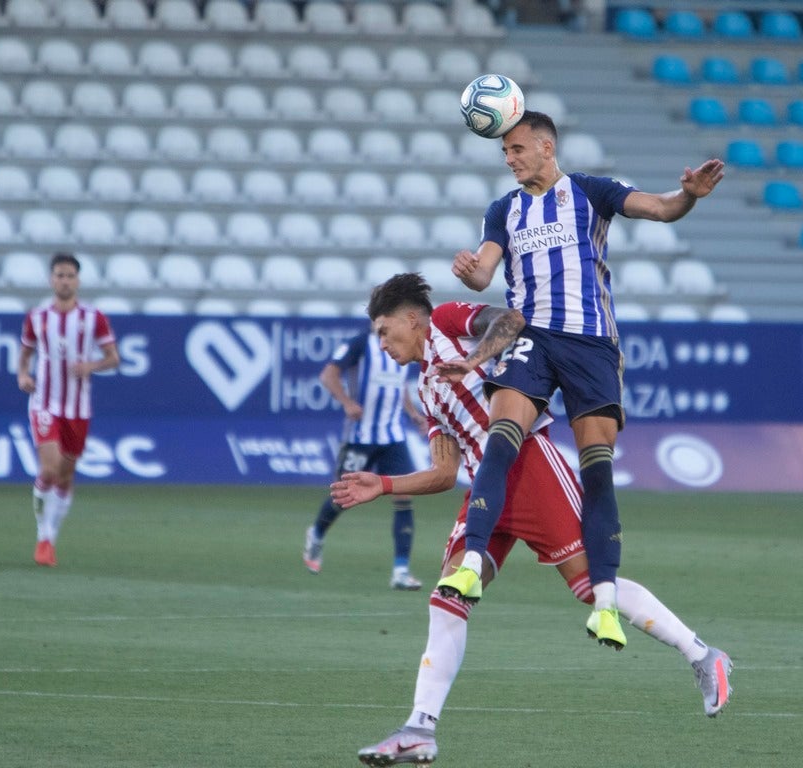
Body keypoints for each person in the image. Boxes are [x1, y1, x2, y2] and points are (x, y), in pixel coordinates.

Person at [331, 274, 732, 765]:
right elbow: (443, 472)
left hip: (528, 466)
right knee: (447, 597)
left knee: (589, 586)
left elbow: (511, 320)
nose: (382, 343)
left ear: (412, 319)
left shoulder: (448, 323)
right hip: (485, 489)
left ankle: (703, 655)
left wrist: (477, 360)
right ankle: (420, 729)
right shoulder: (430, 388)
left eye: (384, 330)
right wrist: (385, 484)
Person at [441, 110, 726, 649]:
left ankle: (606, 604)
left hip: (591, 344)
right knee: (501, 438)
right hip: (533, 336)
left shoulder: (592, 191)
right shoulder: (504, 209)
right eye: (505, 152)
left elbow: (662, 208)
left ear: (547, 148)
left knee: (597, 471)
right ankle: (471, 560)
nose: (509, 159)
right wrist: (469, 271)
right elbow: (483, 270)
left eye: (518, 149)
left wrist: (688, 195)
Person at [303, 327, 427, 590]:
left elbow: (398, 383)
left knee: (405, 497)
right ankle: (316, 534)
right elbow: (328, 374)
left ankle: (401, 571)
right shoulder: (361, 343)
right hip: (361, 437)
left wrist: (413, 413)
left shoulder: (400, 342)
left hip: (393, 437)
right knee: (343, 496)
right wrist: (347, 402)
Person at [17, 252, 120, 567]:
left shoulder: (94, 317)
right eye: (59, 275)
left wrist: (92, 365)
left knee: (65, 476)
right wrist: (23, 375)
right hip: (45, 403)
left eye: (70, 275)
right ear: (51, 279)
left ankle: (52, 536)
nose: (64, 280)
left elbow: (113, 358)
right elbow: (25, 355)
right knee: (48, 469)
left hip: (78, 408)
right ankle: (43, 538)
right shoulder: (37, 317)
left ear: (78, 280)